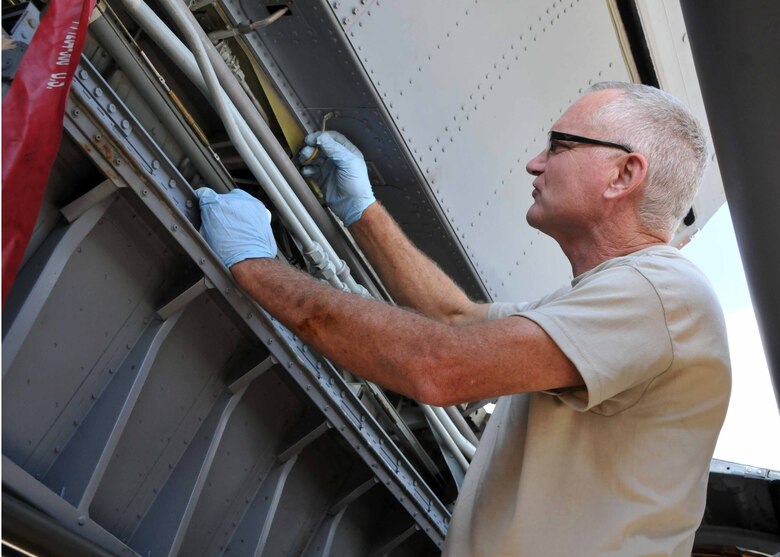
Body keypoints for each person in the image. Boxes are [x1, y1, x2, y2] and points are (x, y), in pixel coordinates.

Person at [195, 82, 731, 556]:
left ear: (624, 173)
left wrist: (256, 268)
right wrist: (361, 210)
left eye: (561, 145)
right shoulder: (614, 302)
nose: (535, 163)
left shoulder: (658, 294)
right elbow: (455, 319)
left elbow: (438, 366)